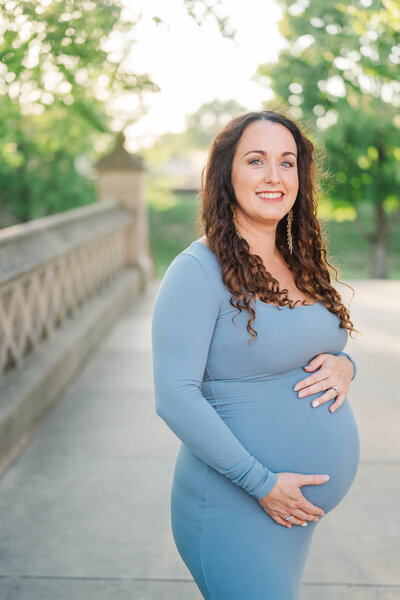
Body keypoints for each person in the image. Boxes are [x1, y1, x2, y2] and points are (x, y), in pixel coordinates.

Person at [151, 109, 360, 600]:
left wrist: (347, 366)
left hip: (289, 508)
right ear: (227, 173)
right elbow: (174, 397)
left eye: (287, 163)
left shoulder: (297, 260)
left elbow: (319, 343)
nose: (274, 177)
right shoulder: (197, 270)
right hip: (236, 504)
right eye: (256, 160)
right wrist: (262, 483)